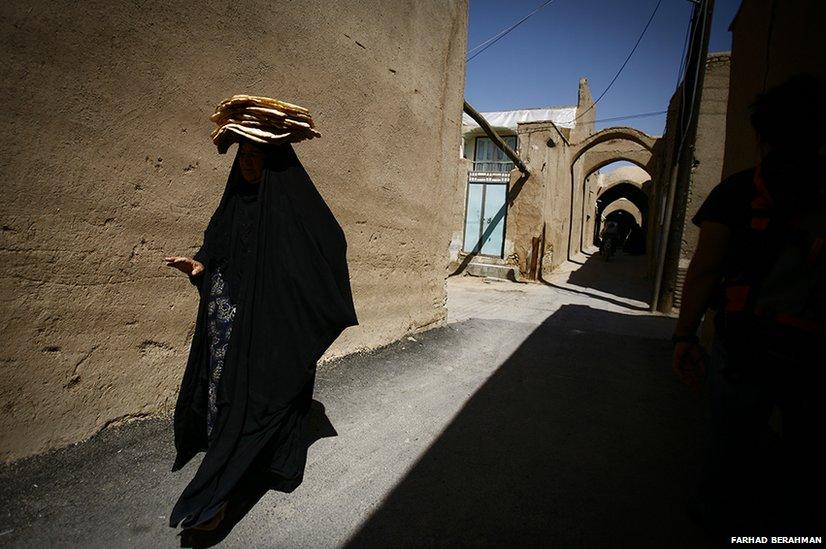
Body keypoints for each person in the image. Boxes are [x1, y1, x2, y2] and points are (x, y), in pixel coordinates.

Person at [163, 140, 359, 531]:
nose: (249, 165)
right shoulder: (233, 202)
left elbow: (330, 244)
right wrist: (199, 268)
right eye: (243, 158)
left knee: (262, 402)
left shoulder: (290, 206)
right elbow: (214, 251)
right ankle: (221, 487)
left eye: (256, 158)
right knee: (230, 402)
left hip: (272, 332)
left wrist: (289, 294)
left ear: (271, 163)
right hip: (227, 329)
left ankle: (220, 494)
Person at [672, 75, 825, 535]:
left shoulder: (740, 191)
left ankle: (719, 522)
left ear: (760, 135)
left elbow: (704, 271)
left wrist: (684, 335)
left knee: (730, 447)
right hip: (813, 352)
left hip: (746, 344)